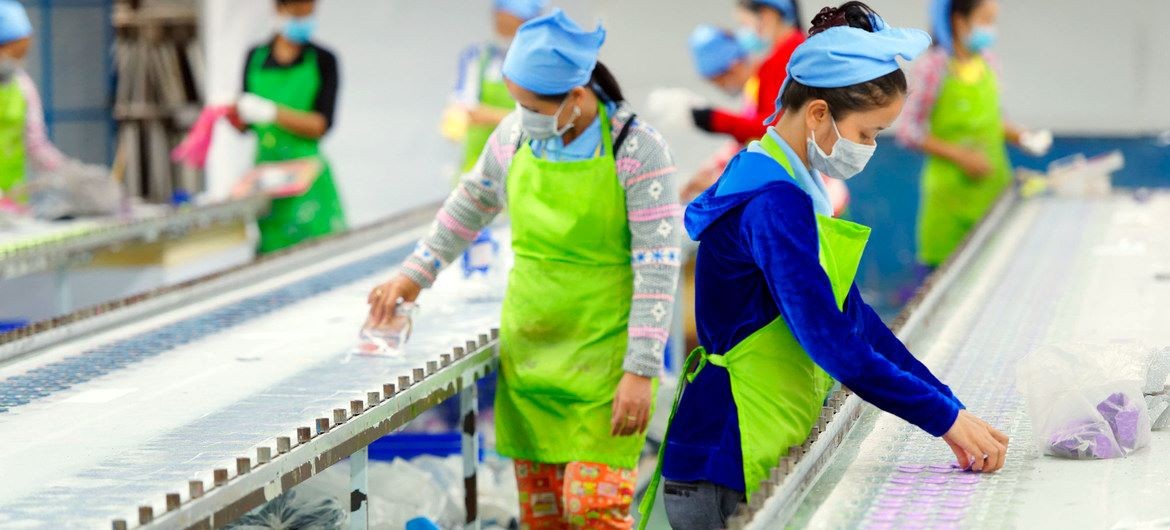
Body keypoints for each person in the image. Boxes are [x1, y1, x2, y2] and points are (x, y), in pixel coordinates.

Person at [639, 4, 1008, 529]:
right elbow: (834, 344)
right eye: (867, 133)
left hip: (757, 443)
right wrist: (943, 420)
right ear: (817, 113)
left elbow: (855, 320)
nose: (870, 149)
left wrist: (952, 406)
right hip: (725, 462)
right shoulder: (772, 203)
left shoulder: (788, 185)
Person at [367, 10, 681, 529]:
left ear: (576, 96)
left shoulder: (637, 149)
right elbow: (469, 204)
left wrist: (641, 368)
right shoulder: (515, 138)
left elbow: (657, 265)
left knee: (593, 511)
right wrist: (414, 274)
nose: (522, 115)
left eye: (532, 106)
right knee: (545, 519)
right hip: (532, 363)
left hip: (606, 366)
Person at [897, 0, 1051, 268]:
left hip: (993, 194)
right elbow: (909, 131)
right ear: (959, 21)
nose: (991, 29)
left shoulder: (989, 64)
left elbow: (994, 121)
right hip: (950, 203)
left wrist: (1022, 137)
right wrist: (961, 156)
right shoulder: (932, 68)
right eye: (986, 20)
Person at [679, 24, 849, 215]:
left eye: (719, 80)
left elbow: (769, 134)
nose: (721, 87)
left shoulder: (770, 81)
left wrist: (714, 120)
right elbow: (747, 142)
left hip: (817, 200)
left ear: (733, 67)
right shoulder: (753, 89)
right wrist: (711, 168)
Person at [234, 0, 346, 254]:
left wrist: (272, 112)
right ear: (279, 10)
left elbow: (320, 124)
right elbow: (245, 126)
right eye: (297, 13)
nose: (303, 20)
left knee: (318, 253)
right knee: (271, 255)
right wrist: (231, 111)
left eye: (309, 13)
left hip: (308, 180)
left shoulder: (323, 60)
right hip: (266, 179)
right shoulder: (255, 58)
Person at [0, 0, 102, 201]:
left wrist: (71, 172)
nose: (18, 60)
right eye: (14, 52)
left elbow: (36, 145)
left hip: (12, 203)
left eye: (23, 53)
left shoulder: (22, 86)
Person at [447, 0, 546, 175]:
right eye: (499, 21)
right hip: (477, 167)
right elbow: (463, 107)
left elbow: (547, 120)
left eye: (509, 23)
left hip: (525, 168)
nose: (502, 28)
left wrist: (488, 116)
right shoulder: (477, 57)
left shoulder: (542, 64)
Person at [689, 0, 804, 145]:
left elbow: (776, 127)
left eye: (744, 24)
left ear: (767, 15)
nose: (741, 34)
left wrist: (713, 119)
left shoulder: (789, 56)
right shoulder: (783, 54)